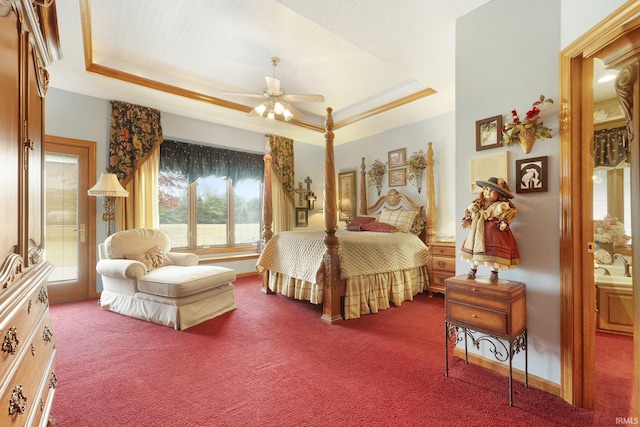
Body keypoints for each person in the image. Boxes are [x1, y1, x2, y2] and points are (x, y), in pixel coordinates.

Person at [459, 177, 520, 283]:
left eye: (492, 190)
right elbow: (472, 214)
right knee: (475, 252)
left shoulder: (500, 206)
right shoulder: (478, 205)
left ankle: (494, 273)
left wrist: (503, 223)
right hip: (477, 232)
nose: (488, 192)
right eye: (486, 189)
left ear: (499, 194)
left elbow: (504, 217)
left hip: (493, 234)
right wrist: (467, 220)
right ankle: (473, 270)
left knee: (493, 254)